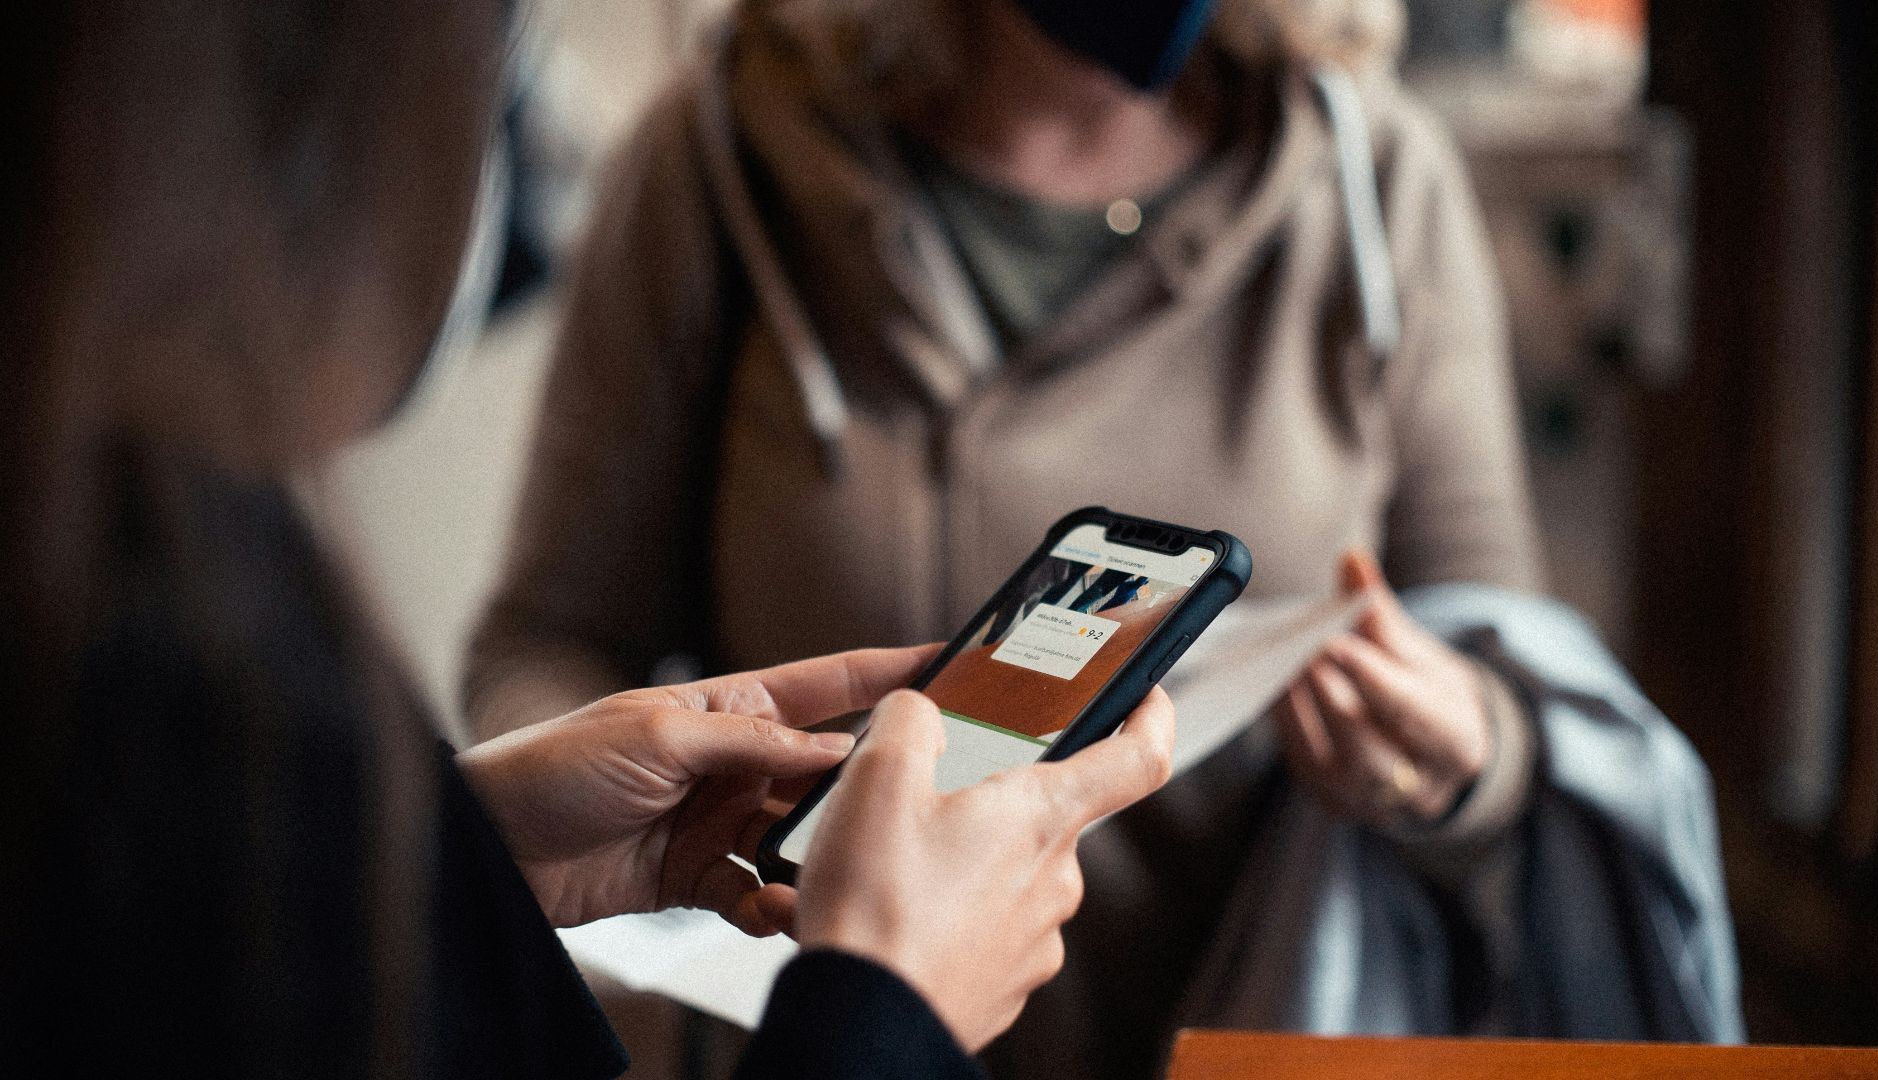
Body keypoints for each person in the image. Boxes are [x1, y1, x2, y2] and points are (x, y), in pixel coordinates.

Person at [469, 0, 1742, 1074]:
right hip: (820, 1034)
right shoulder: (724, 152)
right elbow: (550, 637)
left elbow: (1497, 655)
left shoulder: (1375, 179)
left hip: (1242, 1031)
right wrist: (644, 900)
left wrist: (1460, 770)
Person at [0, 1, 1176, 1077]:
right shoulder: (187, 667)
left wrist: (474, 858)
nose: (531, 138)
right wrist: (887, 1012)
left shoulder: (154, 596)